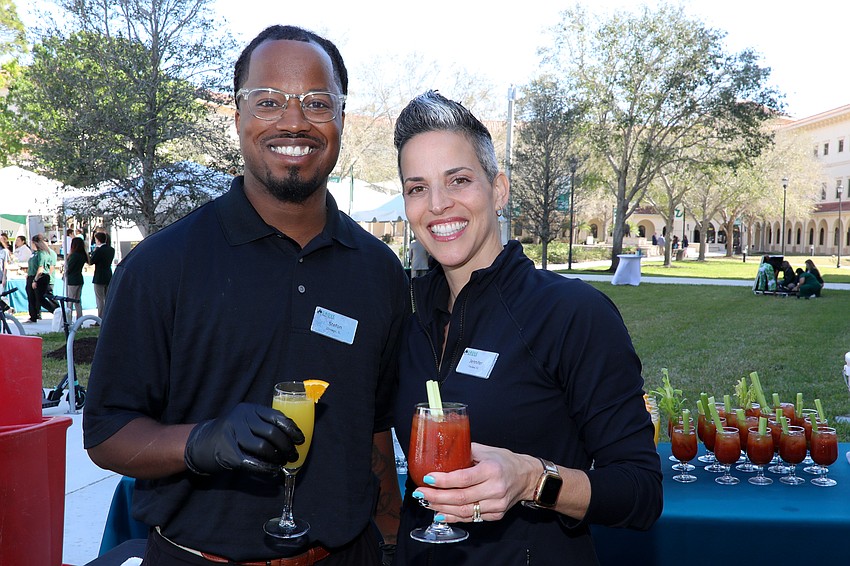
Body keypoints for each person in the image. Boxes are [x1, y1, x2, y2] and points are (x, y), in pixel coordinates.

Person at [82, 25, 408, 566]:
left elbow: (374, 426)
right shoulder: (162, 266)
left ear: (342, 118)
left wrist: (392, 537)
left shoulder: (379, 272)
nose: (294, 120)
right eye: (269, 101)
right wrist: (201, 443)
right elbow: (107, 433)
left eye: (317, 102)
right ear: (237, 116)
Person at [391, 91, 662, 565]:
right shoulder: (408, 319)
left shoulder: (573, 313)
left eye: (459, 179)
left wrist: (534, 479)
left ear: (498, 190)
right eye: (417, 188)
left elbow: (640, 493)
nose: (437, 204)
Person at [25, 233, 57, 323]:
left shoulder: (43, 253)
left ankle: (55, 311)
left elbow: (41, 268)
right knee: (31, 297)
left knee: (40, 298)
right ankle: (33, 316)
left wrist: (35, 280)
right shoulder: (35, 253)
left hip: (39, 277)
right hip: (31, 276)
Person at [88, 231, 115, 321]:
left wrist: (93, 252)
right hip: (108, 274)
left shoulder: (99, 250)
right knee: (108, 298)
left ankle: (100, 318)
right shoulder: (111, 249)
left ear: (98, 240)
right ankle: (109, 317)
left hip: (99, 276)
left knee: (100, 299)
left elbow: (91, 261)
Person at [64, 236, 89, 320]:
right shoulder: (83, 255)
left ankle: (69, 320)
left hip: (72, 280)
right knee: (78, 301)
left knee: (70, 301)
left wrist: (64, 273)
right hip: (79, 278)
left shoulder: (74, 255)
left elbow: (70, 268)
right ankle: (79, 319)